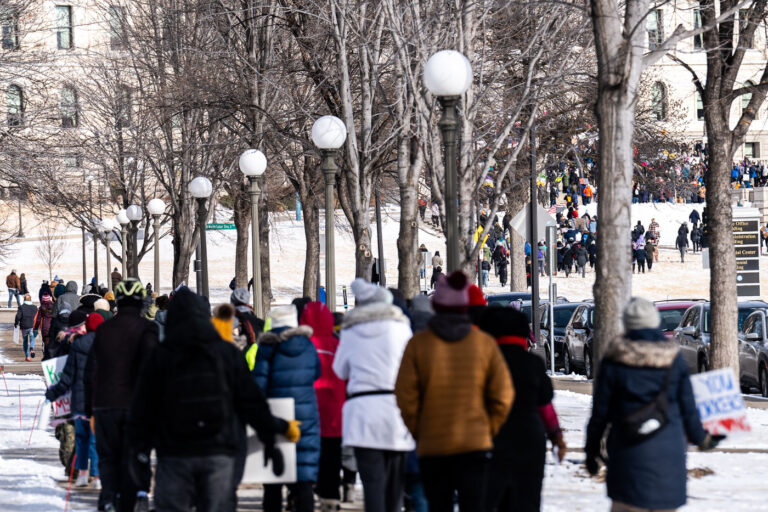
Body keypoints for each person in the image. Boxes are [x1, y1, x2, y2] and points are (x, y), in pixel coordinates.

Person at [129, 287, 299, 512]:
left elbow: (142, 411)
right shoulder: (227, 354)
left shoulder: (160, 357)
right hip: (219, 451)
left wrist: (138, 457)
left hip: (174, 453)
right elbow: (251, 403)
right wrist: (271, 436)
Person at [585, 298, 724, 512]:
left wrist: (591, 452)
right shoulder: (674, 359)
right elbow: (688, 409)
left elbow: (600, 414)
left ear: (628, 324)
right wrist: (704, 439)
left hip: (627, 454)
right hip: (668, 458)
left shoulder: (613, 360)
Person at [395, 271, 514, 511]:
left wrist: (420, 429)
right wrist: (488, 427)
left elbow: (405, 395)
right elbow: (503, 395)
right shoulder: (484, 344)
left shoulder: (418, 344)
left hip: (433, 443)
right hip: (475, 443)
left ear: (436, 305)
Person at [334, 278, 415, 512]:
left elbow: (340, 370)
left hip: (363, 411)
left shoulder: (351, 330)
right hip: (395, 409)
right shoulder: (400, 327)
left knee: (372, 484)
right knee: (395, 484)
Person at [476, 307, 566, 511]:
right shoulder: (532, 363)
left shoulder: (484, 362)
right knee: (527, 499)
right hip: (529, 439)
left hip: (490, 439)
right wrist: (556, 436)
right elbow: (545, 407)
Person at [85, 279, 158, 512]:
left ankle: (108, 497)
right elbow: (153, 369)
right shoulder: (148, 329)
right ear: (140, 302)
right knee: (137, 455)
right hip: (137, 406)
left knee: (109, 456)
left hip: (105, 403)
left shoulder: (104, 330)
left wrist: (89, 407)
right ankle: (138, 495)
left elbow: (91, 371)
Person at [253, 305, 321, 512]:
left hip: (276, 415)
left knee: (273, 479)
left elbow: (259, 385)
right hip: (305, 415)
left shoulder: (267, 347)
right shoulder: (308, 345)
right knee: (303, 480)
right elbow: (316, 373)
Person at [46, 313, 104, 489]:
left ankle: (81, 475)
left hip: (79, 399)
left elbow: (68, 376)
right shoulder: (106, 345)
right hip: (97, 400)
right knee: (95, 440)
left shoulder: (78, 344)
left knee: (81, 439)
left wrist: (53, 393)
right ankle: (97, 476)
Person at [300, 301, 346, 511]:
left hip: (309, 409)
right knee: (332, 455)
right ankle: (331, 494)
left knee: (309, 454)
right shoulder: (337, 345)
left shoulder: (303, 346)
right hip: (334, 410)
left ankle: (306, 492)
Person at [14, 294, 38, 361]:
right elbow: (38, 317)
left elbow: (18, 317)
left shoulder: (21, 307)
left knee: (25, 341)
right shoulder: (35, 307)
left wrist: (16, 323)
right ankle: (32, 348)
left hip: (24, 326)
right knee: (32, 338)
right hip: (33, 326)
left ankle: (27, 356)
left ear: (24, 300)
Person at [35, 294, 55, 360]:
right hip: (53, 326)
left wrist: (35, 328)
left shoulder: (41, 307)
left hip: (45, 326)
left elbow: (38, 319)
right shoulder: (55, 306)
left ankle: (46, 355)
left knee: (45, 342)